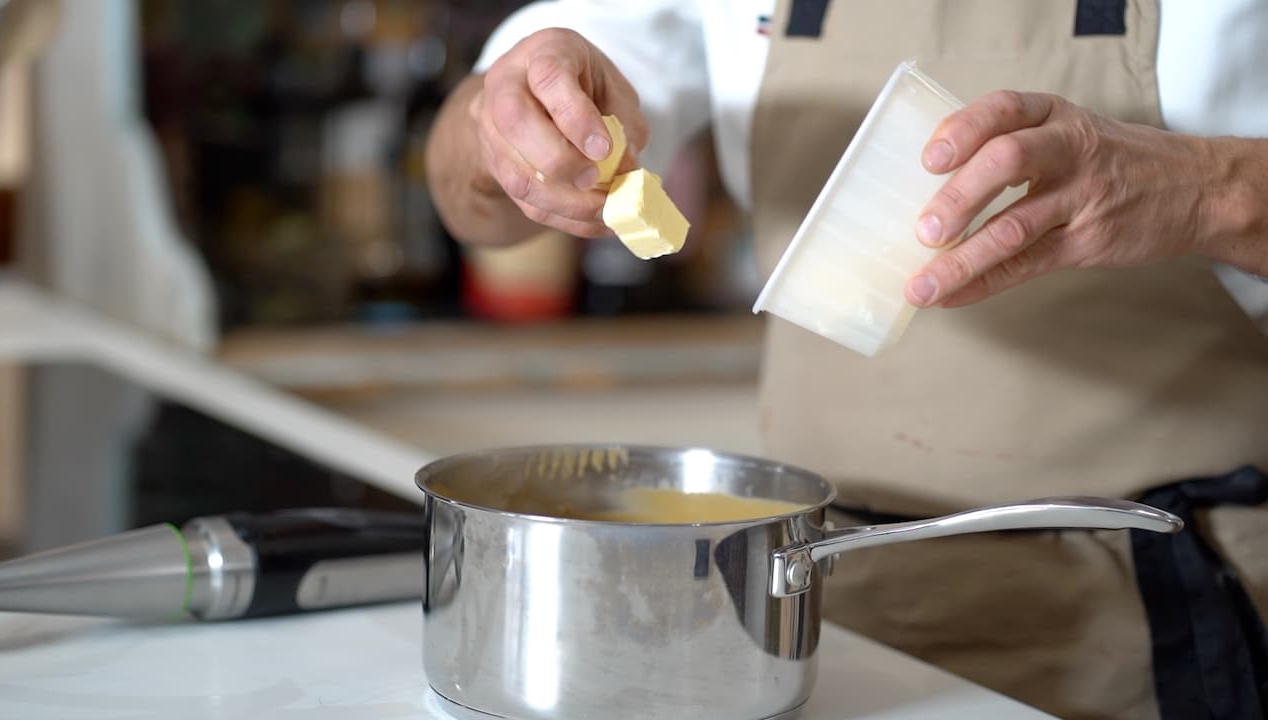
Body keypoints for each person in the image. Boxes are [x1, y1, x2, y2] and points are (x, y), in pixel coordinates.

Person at [426, 2, 1268, 718]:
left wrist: (1212, 191)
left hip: (1164, 619)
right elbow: (470, 196)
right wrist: (501, 124)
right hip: (811, 606)